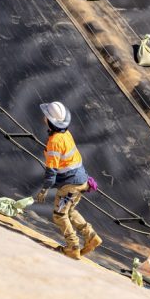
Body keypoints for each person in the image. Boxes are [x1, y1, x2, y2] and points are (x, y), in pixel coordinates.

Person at [34, 101, 101, 260]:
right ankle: (91, 237)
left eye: (46, 116)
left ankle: (72, 247)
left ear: (50, 121)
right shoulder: (66, 134)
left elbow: (52, 171)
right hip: (81, 180)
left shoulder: (54, 142)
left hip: (70, 185)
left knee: (59, 215)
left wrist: (44, 189)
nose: (44, 118)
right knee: (69, 211)